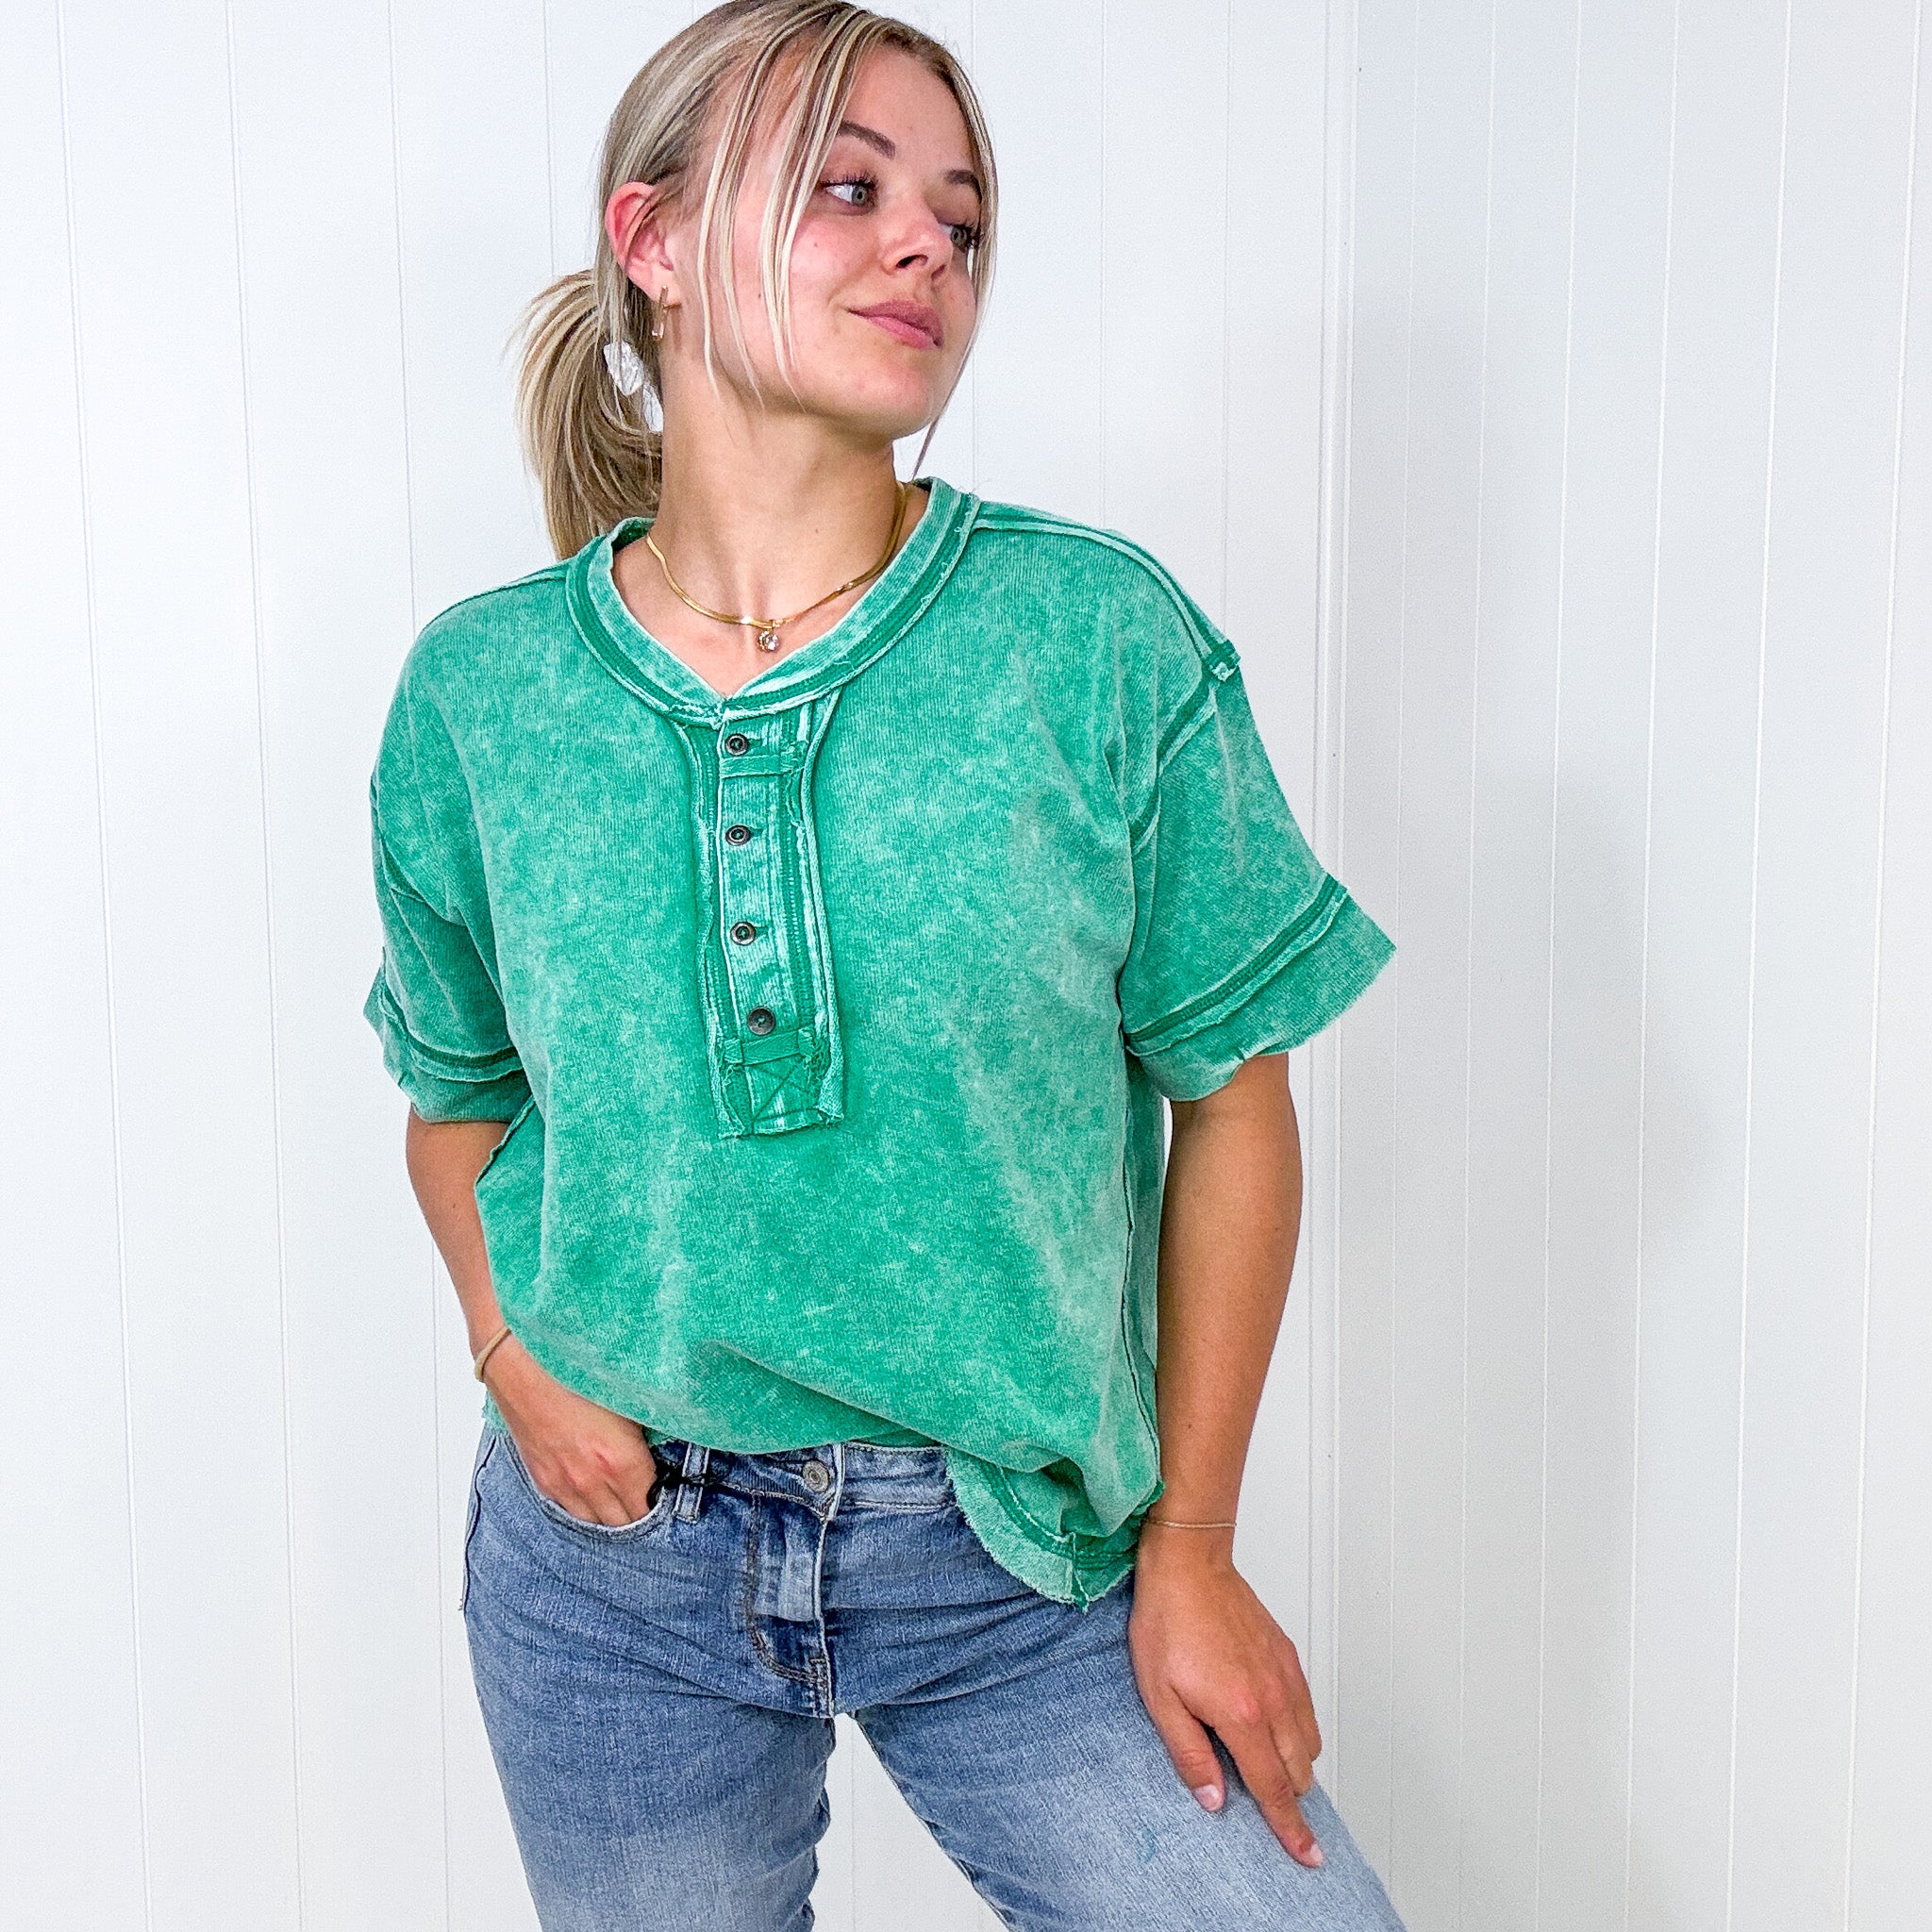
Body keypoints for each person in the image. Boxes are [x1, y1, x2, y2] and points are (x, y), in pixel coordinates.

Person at [361, 4, 1405, 1926]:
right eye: (848, 189)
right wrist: (513, 1354)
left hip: (1021, 1554)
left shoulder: (1089, 636)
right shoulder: (481, 692)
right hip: (611, 1564)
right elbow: (459, 1100)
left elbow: (1234, 1102)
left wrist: (1193, 1545)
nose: (927, 242)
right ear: (656, 242)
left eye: (963, 217)